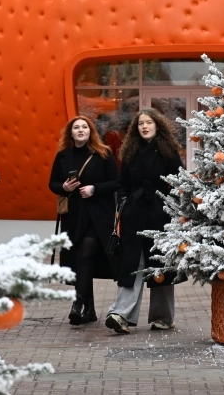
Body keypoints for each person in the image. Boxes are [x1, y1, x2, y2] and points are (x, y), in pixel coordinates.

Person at [105, 108, 183, 333]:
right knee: (132, 263)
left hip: (160, 213)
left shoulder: (168, 152)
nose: (144, 126)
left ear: (157, 125)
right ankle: (121, 314)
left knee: (160, 265)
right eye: (140, 124)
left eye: (149, 122)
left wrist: (174, 208)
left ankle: (163, 318)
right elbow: (122, 184)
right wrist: (123, 202)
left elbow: (180, 182)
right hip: (134, 214)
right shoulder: (130, 151)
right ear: (136, 129)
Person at [47, 116, 120, 325]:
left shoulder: (103, 154)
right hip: (73, 215)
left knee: (86, 253)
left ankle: (77, 303)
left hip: (98, 215)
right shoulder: (63, 155)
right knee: (80, 258)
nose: (80, 130)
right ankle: (89, 309)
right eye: (76, 127)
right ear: (70, 133)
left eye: (84, 127)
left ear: (90, 131)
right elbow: (52, 183)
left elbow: (116, 182)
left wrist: (94, 189)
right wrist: (64, 187)